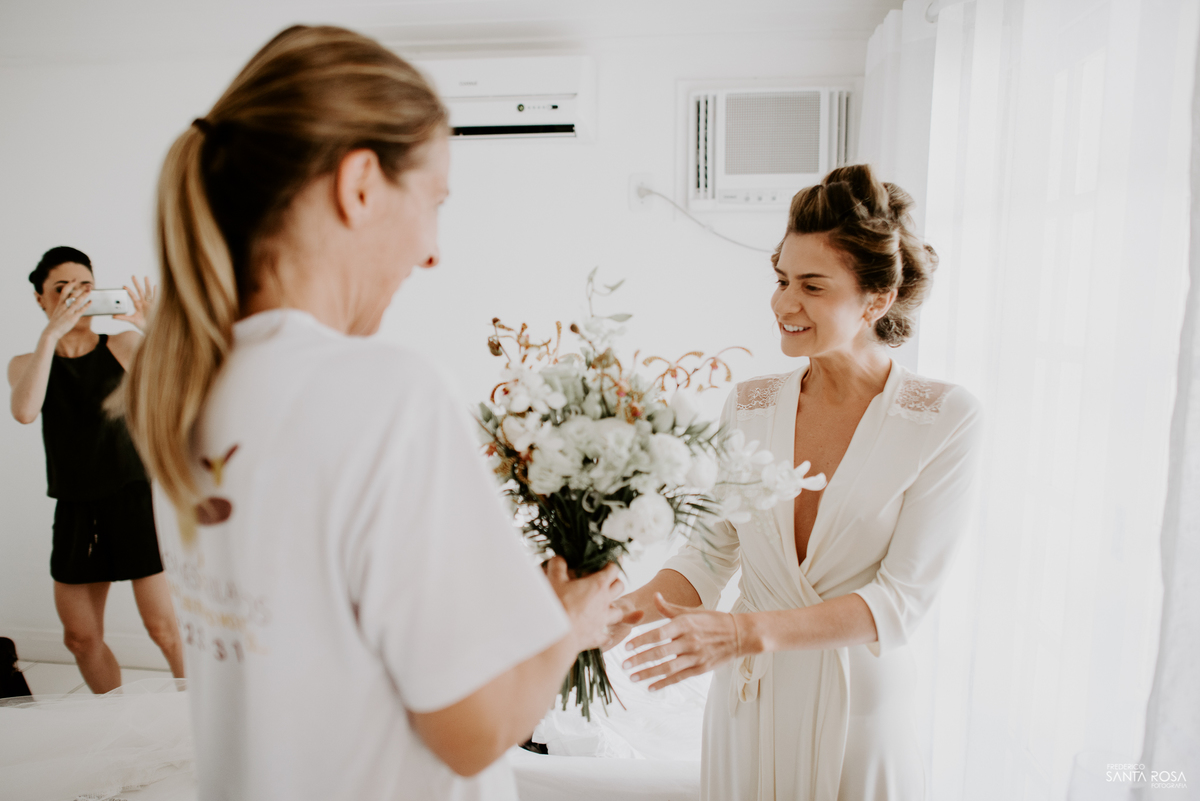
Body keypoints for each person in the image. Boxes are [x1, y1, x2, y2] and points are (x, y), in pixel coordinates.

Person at [116, 25, 626, 801]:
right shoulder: (386, 394)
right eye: (435, 201)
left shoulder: (181, 388)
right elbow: (471, 734)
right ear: (360, 184)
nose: (432, 251)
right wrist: (569, 628)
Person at [606, 165, 983, 800]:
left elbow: (900, 603)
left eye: (811, 285)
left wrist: (743, 633)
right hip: (746, 699)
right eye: (781, 279)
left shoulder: (943, 417)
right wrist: (622, 612)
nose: (784, 304)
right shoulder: (751, 404)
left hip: (856, 710)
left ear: (875, 300)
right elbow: (711, 551)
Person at [7, 246, 183, 693]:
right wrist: (51, 336)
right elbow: (25, 411)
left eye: (85, 287)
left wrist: (150, 328)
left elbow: (177, 387)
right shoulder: (26, 364)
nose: (75, 297)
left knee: (164, 629)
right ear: (39, 298)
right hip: (73, 505)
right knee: (80, 638)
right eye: (61, 289)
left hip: (130, 498)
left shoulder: (121, 345)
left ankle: (198, 728)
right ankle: (115, 725)